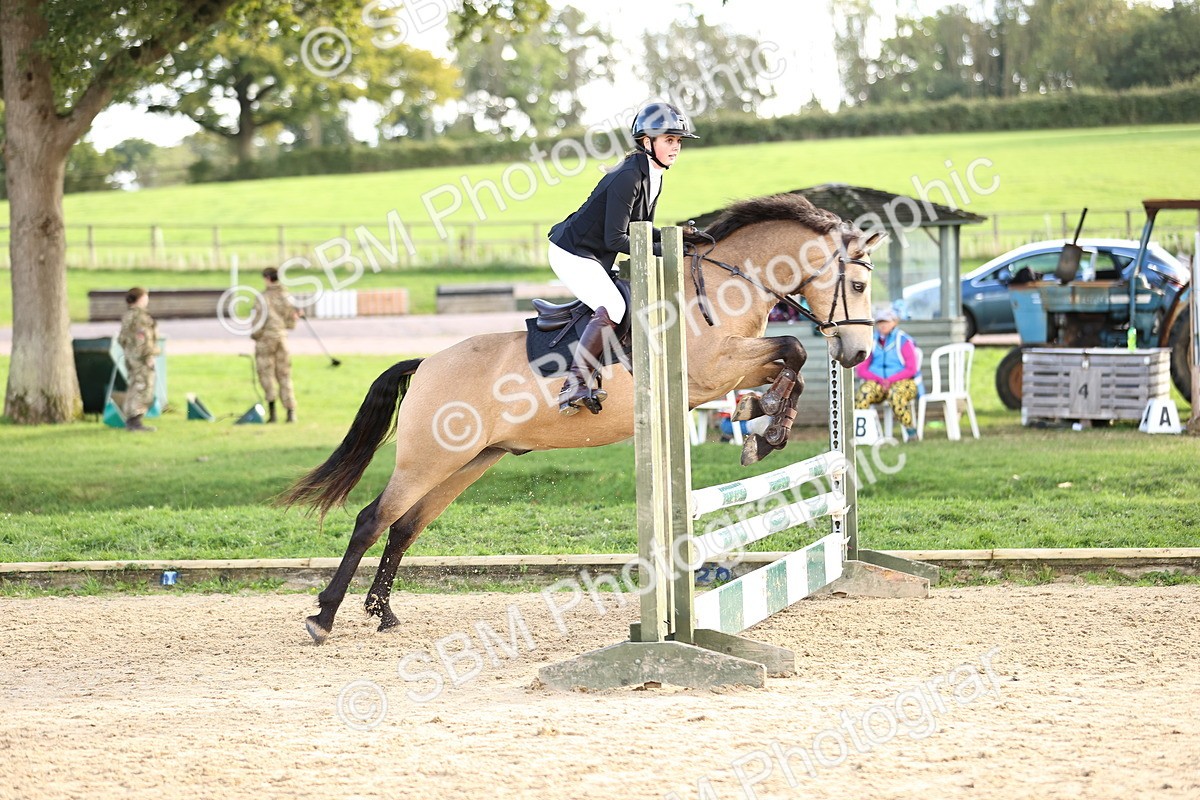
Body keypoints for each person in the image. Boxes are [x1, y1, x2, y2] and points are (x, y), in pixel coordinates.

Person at [546, 101, 698, 415]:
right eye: (669, 140)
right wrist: (664, 250)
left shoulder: (654, 174)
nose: (676, 147)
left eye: (678, 141)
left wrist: (676, 235)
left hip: (595, 255)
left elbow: (642, 229)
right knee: (614, 306)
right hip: (571, 253)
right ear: (647, 141)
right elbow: (615, 238)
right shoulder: (628, 175)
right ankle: (573, 383)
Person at [855, 307, 921, 439]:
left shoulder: (903, 340)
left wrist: (890, 380)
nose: (882, 325)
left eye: (886, 321)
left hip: (904, 382)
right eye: (879, 322)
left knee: (896, 394)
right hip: (879, 382)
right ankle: (864, 435)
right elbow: (861, 369)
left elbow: (911, 369)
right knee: (864, 392)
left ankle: (910, 431)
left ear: (894, 322)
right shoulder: (871, 341)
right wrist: (880, 380)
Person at [252, 267, 299, 423]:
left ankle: (272, 414)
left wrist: (256, 336)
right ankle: (291, 413)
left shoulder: (262, 298)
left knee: (266, 375)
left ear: (267, 278)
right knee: (284, 375)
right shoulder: (287, 297)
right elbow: (292, 322)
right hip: (282, 339)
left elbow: (257, 322)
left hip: (265, 341)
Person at [117, 287, 160, 433]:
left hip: (131, 356)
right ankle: (135, 421)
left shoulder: (128, 315)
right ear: (141, 298)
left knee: (134, 385)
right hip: (141, 358)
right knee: (143, 386)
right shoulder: (140, 317)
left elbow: (122, 339)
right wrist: (148, 356)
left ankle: (131, 419)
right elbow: (144, 338)